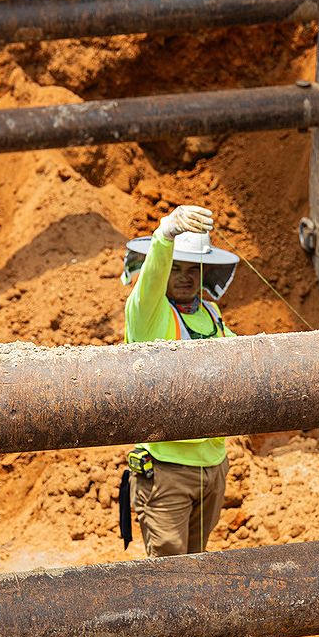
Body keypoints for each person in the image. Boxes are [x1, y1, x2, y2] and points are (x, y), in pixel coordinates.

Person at [119, 203, 239, 559]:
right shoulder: (148, 316)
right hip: (167, 467)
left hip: (213, 463)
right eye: (176, 268)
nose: (185, 277)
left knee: (196, 562)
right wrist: (165, 236)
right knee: (170, 572)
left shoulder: (211, 314)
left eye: (193, 269)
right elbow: (150, 283)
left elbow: (247, 360)